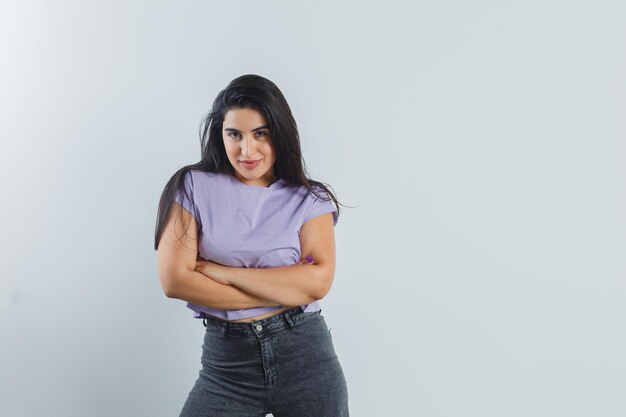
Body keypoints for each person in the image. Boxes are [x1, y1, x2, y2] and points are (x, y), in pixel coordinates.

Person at [154, 74, 350, 417]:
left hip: (305, 358)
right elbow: (175, 282)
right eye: (235, 134)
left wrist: (219, 272)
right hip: (226, 368)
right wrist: (288, 287)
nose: (247, 150)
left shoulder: (310, 198)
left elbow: (318, 282)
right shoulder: (192, 186)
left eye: (261, 133)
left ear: (280, 131)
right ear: (221, 134)